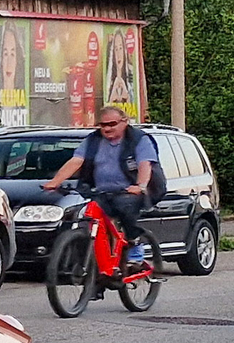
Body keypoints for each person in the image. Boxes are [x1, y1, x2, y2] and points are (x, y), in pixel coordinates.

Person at [44, 107, 159, 268]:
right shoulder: (93, 140)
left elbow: (144, 164)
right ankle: (98, 272)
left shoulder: (138, 139)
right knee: (90, 214)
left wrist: (140, 186)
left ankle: (135, 245)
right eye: (103, 125)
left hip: (130, 190)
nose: (107, 128)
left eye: (112, 124)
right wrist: (55, 182)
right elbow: (76, 161)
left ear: (124, 122)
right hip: (101, 190)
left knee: (126, 207)